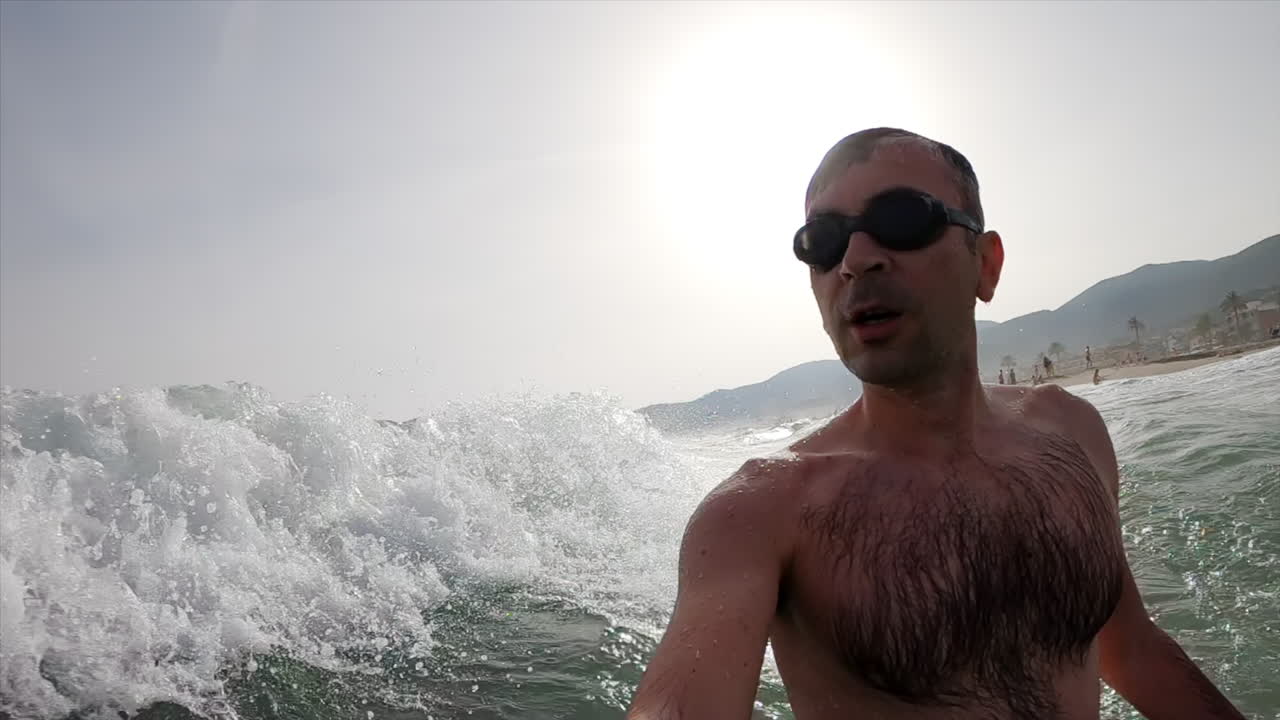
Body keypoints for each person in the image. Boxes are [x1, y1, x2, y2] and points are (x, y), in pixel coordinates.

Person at [627, 128, 1243, 720]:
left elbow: (1128, 647)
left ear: (986, 264)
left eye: (901, 220)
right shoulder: (763, 512)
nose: (856, 260)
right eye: (824, 241)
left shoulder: (1072, 432)